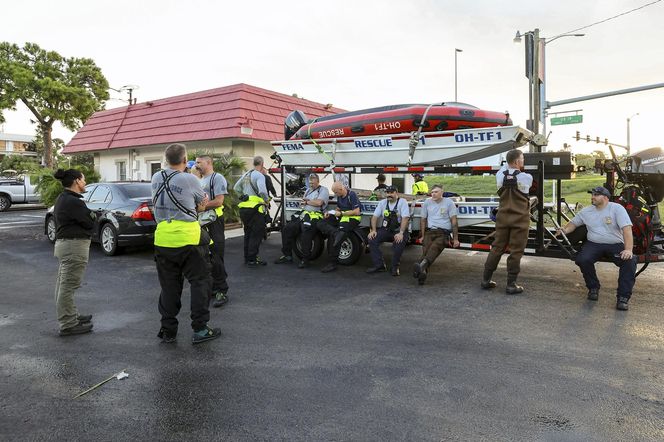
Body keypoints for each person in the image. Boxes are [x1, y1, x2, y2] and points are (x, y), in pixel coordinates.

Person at [152, 143, 221, 345]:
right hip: (189, 239)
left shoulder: (156, 177)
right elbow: (202, 203)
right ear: (184, 160)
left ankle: (168, 331)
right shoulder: (190, 179)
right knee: (201, 282)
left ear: (166, 160)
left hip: (163, 238)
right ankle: (200, 329)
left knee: (169, 287)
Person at [556, 186, 637, 310]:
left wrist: (628, 250)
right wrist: (564, 230)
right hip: (594, 244)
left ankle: (623, 297)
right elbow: (573, 224)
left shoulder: (616, 208)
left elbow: (627, 230)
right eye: (592, 194)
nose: (592, 197)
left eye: (596, 195)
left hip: (615, 244)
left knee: (630, 261)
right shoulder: (586, 211)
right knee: (582, 259)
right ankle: (593, 287)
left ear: (605, 197)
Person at [481, 149, 533, 294]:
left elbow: (506, 169)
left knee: (497, 248)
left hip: (502, 218)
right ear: (517, 162)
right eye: (522, 159)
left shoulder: (499, 175)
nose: (523, 162)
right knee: (516, 252)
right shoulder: (526, 177)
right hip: (520, 220)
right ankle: (511, 284)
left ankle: (485, 280)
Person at [52, 169, 95, 336]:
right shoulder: (73, 202)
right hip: (73, 247)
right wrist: (93, 216)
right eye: (83, 180)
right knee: (68, 286)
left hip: (67, 245)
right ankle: (68, 323)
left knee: (64, 284)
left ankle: (71, 315)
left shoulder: (64, 198)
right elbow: (90, 221)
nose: (85, 183)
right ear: (77, 181)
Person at [274, 173, 329, 268]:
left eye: (313, 183)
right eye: (310, 183)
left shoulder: (323, 190)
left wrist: (308, 202)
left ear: (318, 181)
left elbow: (319, 202)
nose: (311, 185)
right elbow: (303, 202)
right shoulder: (308, 190)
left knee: (306, 231)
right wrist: (306, 202)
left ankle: (305, 259)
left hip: (315, 216)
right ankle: (287, 256)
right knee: (287, 228)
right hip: (304, 214)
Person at [196, 155, 229, 308]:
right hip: (202, 223)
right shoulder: (200, 180)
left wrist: (202, 207)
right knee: (206, 258)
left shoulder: (217, 178)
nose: (196, 165)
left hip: (214, 223)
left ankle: (222, 291)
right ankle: (213, 289)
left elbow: (219, 201)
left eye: (199, 162)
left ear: (208, 163)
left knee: (216, 256)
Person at [412, 184, 459, 285]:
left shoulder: (449, 203)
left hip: (443, 233)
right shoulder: (427, 202)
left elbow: (454, 221)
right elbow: (423, 220)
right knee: (426, 251)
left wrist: (455, 239)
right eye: (432, 192)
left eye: (436, 192)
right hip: (430, 231)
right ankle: (422, 272)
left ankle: (421, 268)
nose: (433, 194)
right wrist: (422, 236)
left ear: (442, 192)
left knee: (434, 248)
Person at [316, 181, 362, 273]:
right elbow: (339, 208)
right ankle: (335, 232)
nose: (335, 194)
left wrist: (341, 213)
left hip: (351, 219)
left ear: (341, 189)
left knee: (337, 238)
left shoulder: (351, 195)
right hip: (341, 217)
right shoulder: (340, 196)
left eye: (336, 192)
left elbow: (357, 211)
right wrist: (331, 213)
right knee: (320, 223)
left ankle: (333, 263)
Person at [234, 156, 269, 267]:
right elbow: (263, 191)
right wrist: (266, 201)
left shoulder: (246, 174)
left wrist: (242, 196)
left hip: (244, 209)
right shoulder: (259, 175)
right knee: (256, 234)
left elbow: (236, 187)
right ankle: (253, 259)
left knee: (248, 234)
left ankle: (247, 258)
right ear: (262, 163)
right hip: (255, 209)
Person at [367, 185, 411, 276]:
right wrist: (373, 230)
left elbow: (405, 218)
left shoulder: (402, 202)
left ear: (396, 193)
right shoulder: (382, 203)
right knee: (372, 239)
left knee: (399, 243)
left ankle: (395, 267)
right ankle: (379, 265)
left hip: (399, 230)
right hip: (386, 229)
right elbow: (374, 217)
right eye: (387, 193)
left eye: (391, 192)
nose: (389, 195)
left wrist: (401, 233)